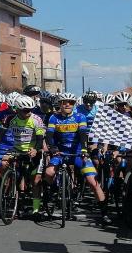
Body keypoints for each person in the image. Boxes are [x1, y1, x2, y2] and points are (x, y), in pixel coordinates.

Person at [44, 92, 111, 223]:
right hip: (61, 153)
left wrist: (85, 150)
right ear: (60, 104)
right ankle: (53, 189)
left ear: (74, 105)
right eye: (64, 102)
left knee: (93, 181)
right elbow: (50, 135)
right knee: (48, 172)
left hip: (78, 153)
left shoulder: (80, 117)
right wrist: (53, 148)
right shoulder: (53, 117)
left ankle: (104, 213)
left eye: (71, 102)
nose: (67, 104)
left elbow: (82, 134)